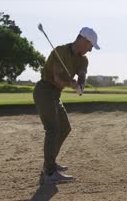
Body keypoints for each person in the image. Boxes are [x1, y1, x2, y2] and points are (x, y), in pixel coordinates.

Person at [33, 27, 100, 185]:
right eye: (90, 46)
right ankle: (49, 173)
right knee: (53, 128)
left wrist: (81, 86)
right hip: (44, 91)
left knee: (65, 128)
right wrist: (72, 84)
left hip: (55, 95)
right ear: (83, 40)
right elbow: (57, 78)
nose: (90, 50)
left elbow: (82, 73)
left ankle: (49, 164)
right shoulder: (60, 51)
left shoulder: (83, 59)